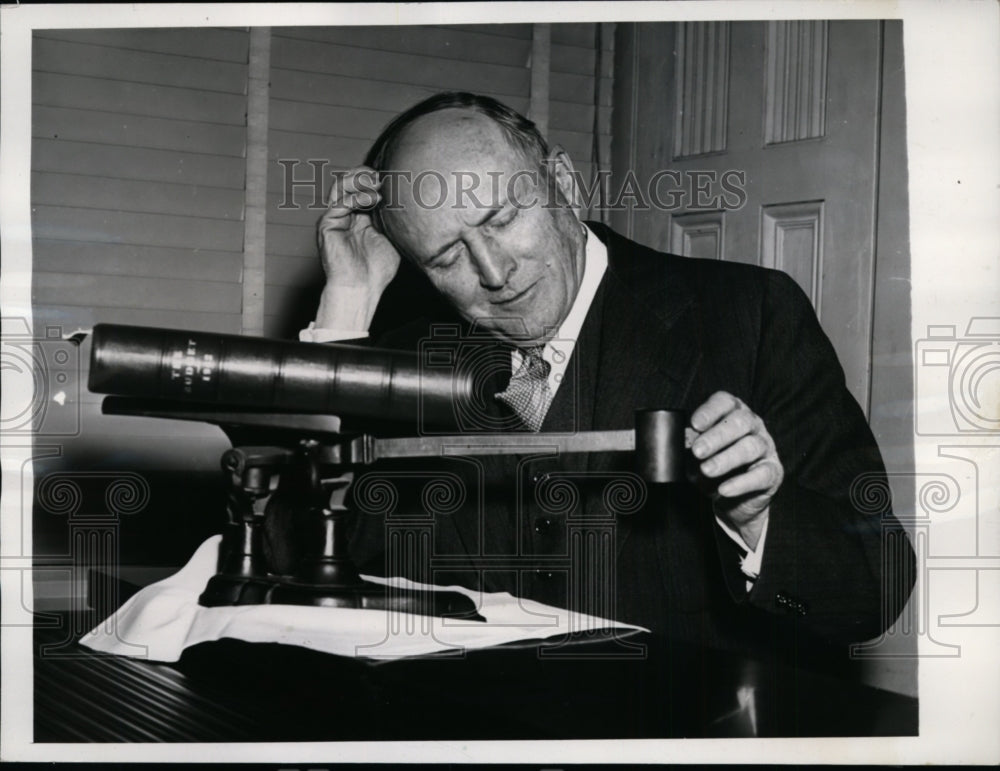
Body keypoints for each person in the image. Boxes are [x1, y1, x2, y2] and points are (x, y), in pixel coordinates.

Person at [298, 91, 915, 660]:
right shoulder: (405, 364)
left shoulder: (749, 316)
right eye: (447, 256)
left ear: (564, 183)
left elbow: (874, 591)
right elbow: (311, 560)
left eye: (503, 219)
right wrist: (346, 304)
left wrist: (758, 515)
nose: (494, 271)